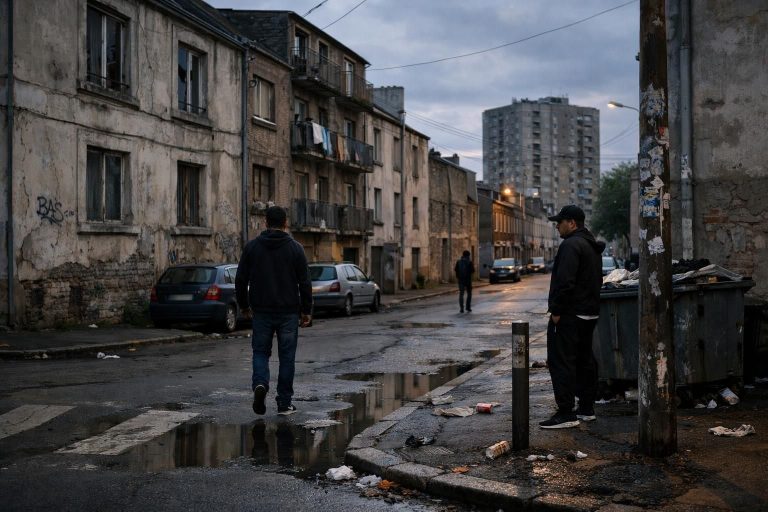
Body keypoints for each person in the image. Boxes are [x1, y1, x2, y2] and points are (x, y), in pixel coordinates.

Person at [236, 206, 312, 416]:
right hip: (288, 312)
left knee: (260, 352)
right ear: (286, 223)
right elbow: (305, 282)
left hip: (261, 311)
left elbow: (241, 280)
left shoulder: (252, 248)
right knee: (287, 357)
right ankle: (284, 403)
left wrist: (243, 306)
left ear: (265, 223)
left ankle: (260, 384)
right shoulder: (296, 249)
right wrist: (306, 311)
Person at [540, 205, 605, 429]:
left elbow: (564, 282)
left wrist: (556, 311)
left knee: (562, 362)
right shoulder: (590, 245)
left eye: (560, 222)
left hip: (570, 315)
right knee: (584, 360)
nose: (557, 226)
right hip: (589, 313)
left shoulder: (570, 245)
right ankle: (586, 408)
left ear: (572, 223)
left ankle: (565, 413)